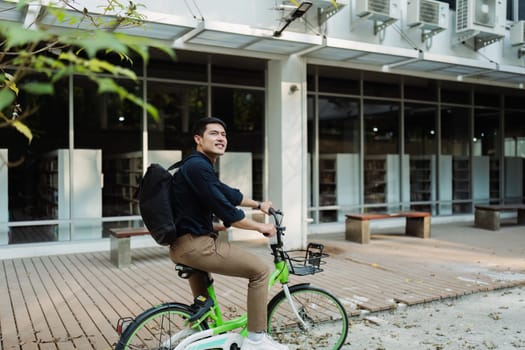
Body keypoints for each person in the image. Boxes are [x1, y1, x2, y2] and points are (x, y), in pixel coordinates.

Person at [170, 117, 288, 350]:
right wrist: (261, 227)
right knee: (260, 272)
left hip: (181, 247)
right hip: (197, 246)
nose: (221, 138)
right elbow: (228, 211)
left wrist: (259, 204)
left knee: (205, 308)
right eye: (213, 133)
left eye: (223, 134)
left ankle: (199, 332)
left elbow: (228, 193)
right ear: (198, 139)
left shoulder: (196, 165)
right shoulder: (198, 167)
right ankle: (256, 339)